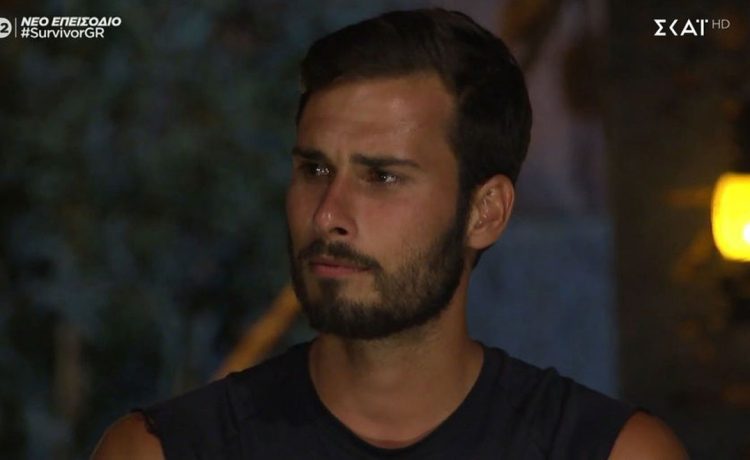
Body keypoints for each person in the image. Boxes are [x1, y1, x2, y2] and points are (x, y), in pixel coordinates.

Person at [92, 8, 688, 459]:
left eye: (382, 177)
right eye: (314, 170)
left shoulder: (611, 452)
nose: (327, 215)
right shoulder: (160, 452)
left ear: (485, 213)